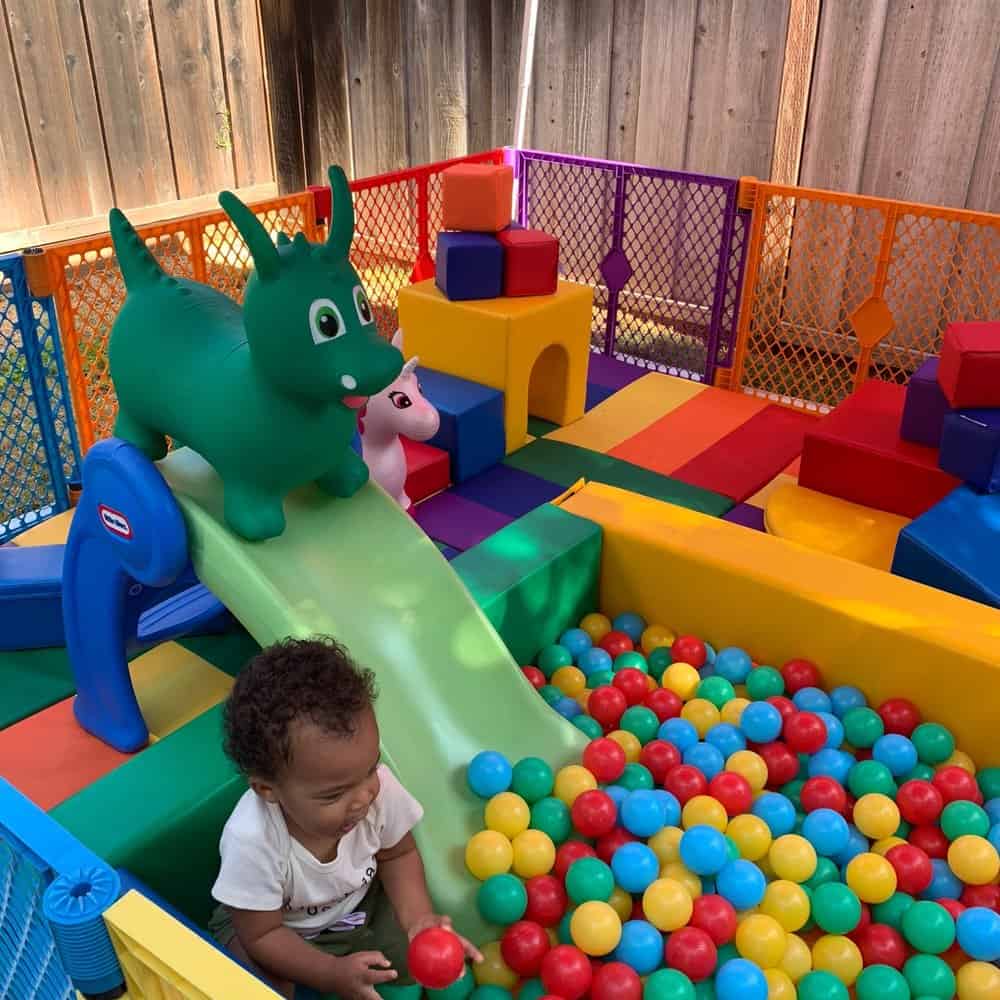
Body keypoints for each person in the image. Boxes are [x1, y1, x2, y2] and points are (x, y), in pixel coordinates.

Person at [210, 636, 482, 999]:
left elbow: (397, 854)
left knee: (406, 959)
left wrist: (418, 919)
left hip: (355, 906)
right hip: (269, 928)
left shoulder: (378, 790)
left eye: (370, 769)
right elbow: (261, 934)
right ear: (268, 790)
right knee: (257, 988)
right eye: (334, 794)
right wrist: (329, 973)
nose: (363, 797)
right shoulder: (253, 839)